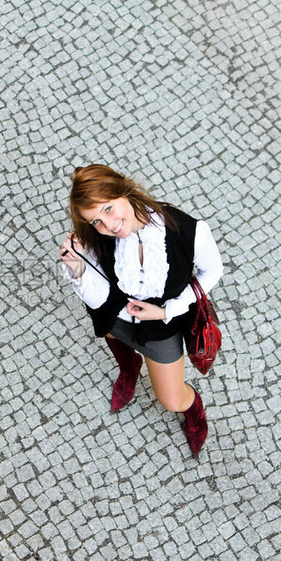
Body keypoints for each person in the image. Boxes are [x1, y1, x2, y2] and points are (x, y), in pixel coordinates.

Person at [60, 164, 223, 457]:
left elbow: (212, 272)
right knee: (115, 338)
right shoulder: (94, 237)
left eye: (108, 209)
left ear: (123, 189)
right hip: (116, 319)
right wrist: (78, 270)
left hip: (161, 327)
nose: (108, 226)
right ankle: (129, 368)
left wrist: (167, 310)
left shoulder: (187, 229)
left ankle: (194, 411)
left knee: (172, 400)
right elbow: (98, 299)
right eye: (95, 220)